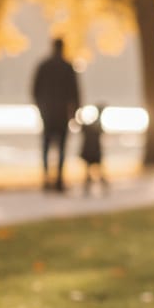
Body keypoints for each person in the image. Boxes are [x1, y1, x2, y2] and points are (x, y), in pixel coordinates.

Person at [31, 37, 81, 191]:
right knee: (61, 148)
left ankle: (46, 179)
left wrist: (40, 108)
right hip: (62, 114)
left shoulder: (44, 66)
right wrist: (74, 114)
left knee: (46, 147)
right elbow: (75, 92)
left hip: (47, 113)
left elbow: (34, 90)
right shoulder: (67, 67)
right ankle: (58, 180)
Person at [79, 103, 108, 194]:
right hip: (93, 152)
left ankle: (88, 190)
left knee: (94, 172)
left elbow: (82, 127)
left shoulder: (95, 124)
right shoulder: (97, 124)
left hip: (91, 152)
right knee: (94, 172)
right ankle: (88, 190)